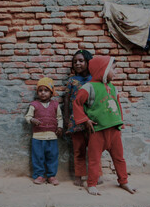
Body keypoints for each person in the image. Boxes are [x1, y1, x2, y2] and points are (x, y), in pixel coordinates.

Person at [73, 55, 136, 196]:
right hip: (97, 131)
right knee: (94, 159)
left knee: (119, 158)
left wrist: (120, 122)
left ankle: (124, 181)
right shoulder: (89, 87)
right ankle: (92, 184)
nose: (115, 72)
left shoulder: (113, 88)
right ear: (103, 70)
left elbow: (118, 105)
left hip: (114, 131)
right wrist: (85, 119)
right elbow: (77, 103)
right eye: (113, 69)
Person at [64, 49, 101, 187]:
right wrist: (67, 119)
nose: (77, 64)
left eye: (81, 61)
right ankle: (79, 176)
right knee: (78, 149)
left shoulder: (95, 79)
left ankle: (97, 175)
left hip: (93, 120)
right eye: (75, 62)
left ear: (88, 62)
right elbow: (67, 99)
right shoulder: (72, 80)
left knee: (95, 149)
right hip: (76, 121)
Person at [25, 77, 63, 185]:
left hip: (52, 137)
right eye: (40, 90)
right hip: (38, 137)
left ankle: (51, 176)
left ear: (51, 93)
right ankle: (39, 175)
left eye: (46, 90)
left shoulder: (55, 105)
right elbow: (27, 117)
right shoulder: (34, 105)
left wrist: (60, 127)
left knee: (52, 157)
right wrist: (32, 119)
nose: (43, 93)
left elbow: (59, 118)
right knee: (38, 157)